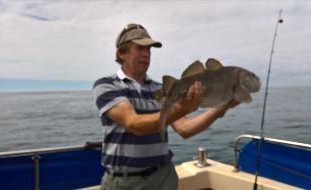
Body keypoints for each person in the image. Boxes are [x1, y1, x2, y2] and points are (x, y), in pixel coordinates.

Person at [92, 23, 240, 190]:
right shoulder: (106, 85)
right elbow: (134, 124)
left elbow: (184, 128)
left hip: (164, 177)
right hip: (125, 183)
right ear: (121, 53)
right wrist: (184, 108)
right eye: (140, 48)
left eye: (149, 49)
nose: (146, 54)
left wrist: (220, 108)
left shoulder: (160, 90)